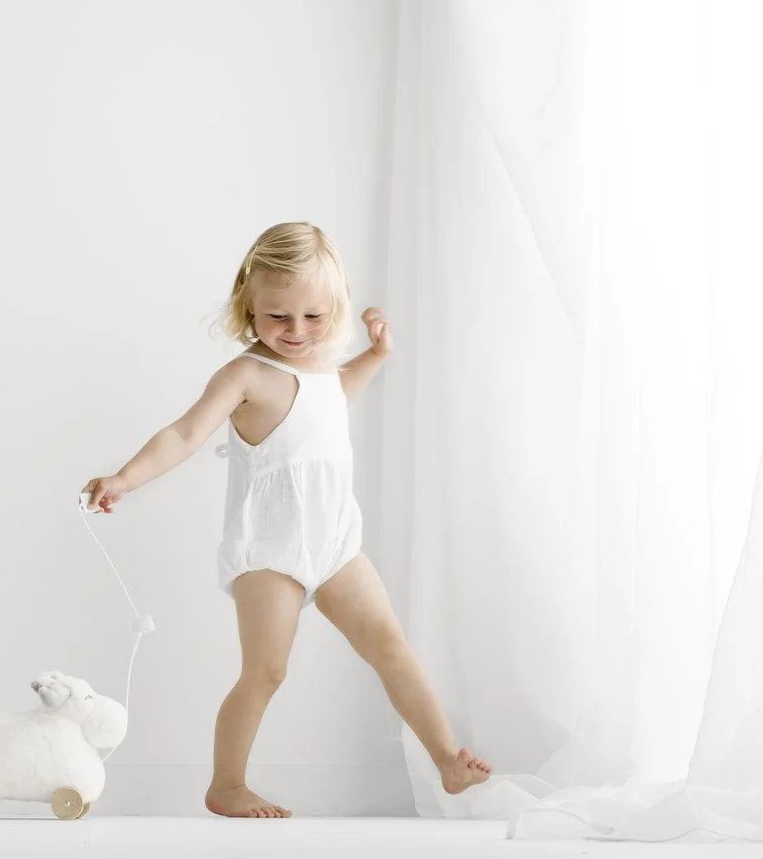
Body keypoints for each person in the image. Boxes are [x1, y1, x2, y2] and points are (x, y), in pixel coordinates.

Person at [82, 222, 491, 818]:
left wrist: (376, 354)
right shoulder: (245, 376)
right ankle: (227, 784)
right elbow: (184, 433)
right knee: (267, 670)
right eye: (278, 317)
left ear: (335, 309)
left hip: (336, 545)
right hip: (271, 549)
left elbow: (332, 395)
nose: (296, 332)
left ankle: (449, 762)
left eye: (313, 317)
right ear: (249, 306)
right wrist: (123, 478)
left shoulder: (323, 367)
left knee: (391, 646)